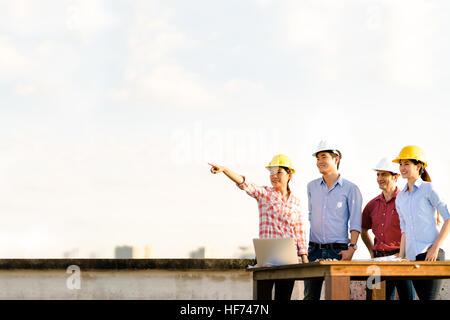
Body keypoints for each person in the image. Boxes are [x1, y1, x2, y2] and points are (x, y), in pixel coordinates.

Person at [208, 154, 308, 300]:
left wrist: (304, 259)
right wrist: (225, 170)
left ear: (289, 174)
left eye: (278, 172)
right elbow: (244, 183)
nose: (274, 176)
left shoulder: (296, 202)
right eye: (271, 172)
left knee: (283, 298)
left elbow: (299, 231)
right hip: (266, 256)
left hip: (288, 258)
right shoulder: (265, 194)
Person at [303, 141, 363, 300]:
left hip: (339, 251)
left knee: (339, 296)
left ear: (336, 159)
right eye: (317, 158)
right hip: (314, 251)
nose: (319, 162)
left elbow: (356, 222)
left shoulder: (351, 189)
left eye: (323, 157)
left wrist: (352, 249)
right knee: (310, 296)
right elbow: (311, 216)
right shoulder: (311, 187)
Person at [393, 145, 450, 300]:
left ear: (418, 166)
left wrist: (435, 247)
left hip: (432, 254)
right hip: (412, 257)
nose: (402, 167)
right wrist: (402, 256)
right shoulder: (400, 197)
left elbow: (448, 218)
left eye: (406, 164)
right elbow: (404, 230)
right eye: (401, 164)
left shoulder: (429, 189)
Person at [361, 157, 414, 300]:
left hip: (401, 260)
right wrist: (372, 251)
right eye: (378, 174)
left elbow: (412, 229)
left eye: (383, 174)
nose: (379, 178)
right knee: (373, 298)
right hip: (377, 262)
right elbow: (363, 229)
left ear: (395, 177)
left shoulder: (406, 200)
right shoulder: (371, 205)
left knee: (408, 298)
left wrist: (405, 252)